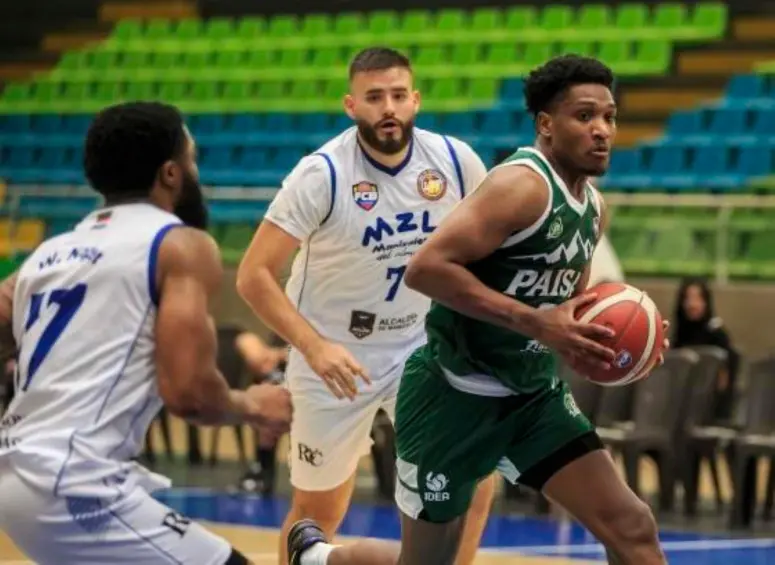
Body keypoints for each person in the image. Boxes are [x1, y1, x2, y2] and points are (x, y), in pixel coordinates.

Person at [287, 54, 671, 565]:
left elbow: (566, 311)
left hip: (532, 399)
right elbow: (425, 269)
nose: (602, 130)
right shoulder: (521, 186)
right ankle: (318, 558)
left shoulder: (593, 209)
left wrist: (614, 345)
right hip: (453, 396)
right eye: (585, 116)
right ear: (546, 125)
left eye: (609, 117)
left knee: (632, 526)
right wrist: (533, 321)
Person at [0, 101, 292, 565]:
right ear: (172, 173)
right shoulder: (180, 244)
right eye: (192, 160)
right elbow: (189, 394)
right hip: (75, 484)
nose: (196, 173)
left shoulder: (46, 254)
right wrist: (253, 405)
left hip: (15, 476)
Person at [236, 47, 495, 565]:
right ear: (351, 105)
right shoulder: (321, 174)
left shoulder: (455, 161)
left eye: (398, 95)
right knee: (317, 511)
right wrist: (313, 348)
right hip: (334, 353)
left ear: (415, 99)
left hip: (421, 345)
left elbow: (494, 244)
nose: (388, 108)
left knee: (474, 472)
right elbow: (252, 276)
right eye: (374, 97)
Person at [672, 277, 738, 421]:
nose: (692, 304)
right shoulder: (680, 335)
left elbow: (725, 381)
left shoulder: (717, 334)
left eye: (698, 298)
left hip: (711, 409)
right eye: (688, 298)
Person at [234, 330, 288, 495]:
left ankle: (262, 467)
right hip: (283, 377)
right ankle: (262, 467)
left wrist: (281, 354)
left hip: (317, 378)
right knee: (271, 397)